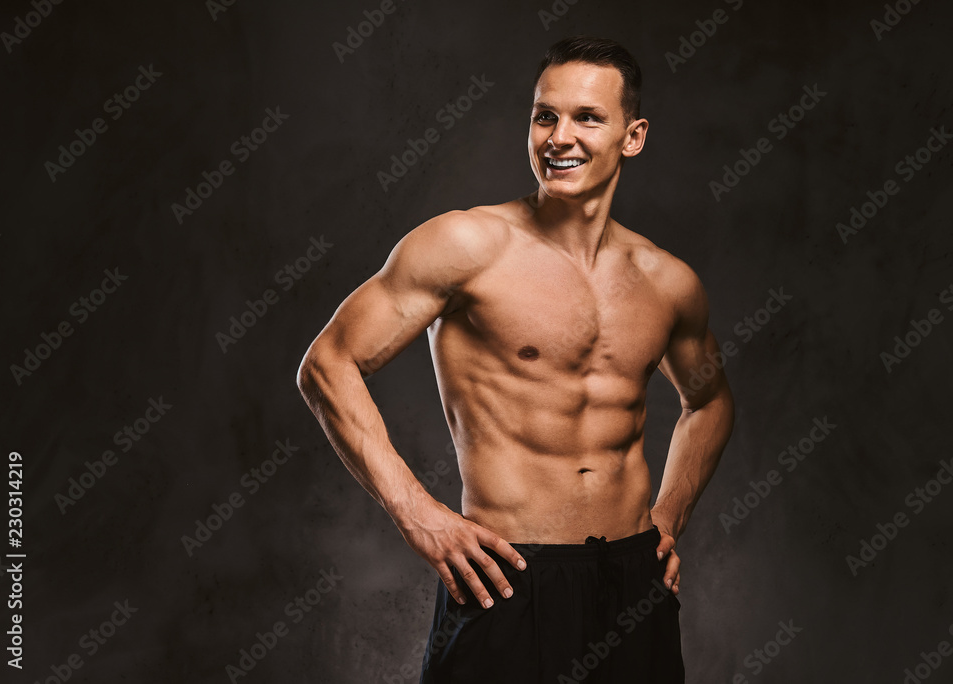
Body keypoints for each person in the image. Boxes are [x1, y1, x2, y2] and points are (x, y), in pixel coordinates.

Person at [297, 35, 734, 683]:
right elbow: (327, 364)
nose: (559, 137)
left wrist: (668, 518)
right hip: (510, 577)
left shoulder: (667, 281)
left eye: (587, 117)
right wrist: (417, 513)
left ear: (632, 136)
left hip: (633, 582)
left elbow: (709, 400)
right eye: (544, 115)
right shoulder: (466, 244)